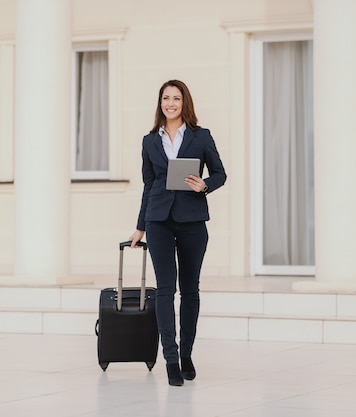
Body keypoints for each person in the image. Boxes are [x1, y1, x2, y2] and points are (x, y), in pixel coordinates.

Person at [129, 79, 227, 386]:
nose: (170, 103)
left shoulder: (201, 136)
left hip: (192, 221)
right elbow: (148, 185)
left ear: (185, 103)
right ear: (160, 104)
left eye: (176, 98)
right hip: (159, 220)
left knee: (190, 290)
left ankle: (186, 354)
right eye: (165, 98)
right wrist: (140, 226)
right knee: (165, 290)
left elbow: (221, 173)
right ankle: (170, 359)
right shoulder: (149, 141)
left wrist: (205, 185)